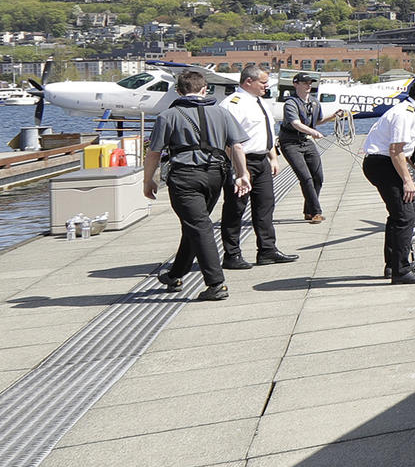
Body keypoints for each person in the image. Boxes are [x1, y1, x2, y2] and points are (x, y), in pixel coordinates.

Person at [143, 68, 252, 301]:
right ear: (205, 89)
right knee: (195, 224)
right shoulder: (222, 113)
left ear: (177, 91)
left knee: (199, 226)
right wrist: (243, 174)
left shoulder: (168, 116)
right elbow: (237, 146)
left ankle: (216, 284)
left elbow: (154, 153)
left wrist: (148, 180)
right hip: (215, 175)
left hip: (184, 177)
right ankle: (175, 274)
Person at [219, 64, 298, 268]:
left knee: (265, 207)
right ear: (248, 82)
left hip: (261, 159)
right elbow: (228, 140)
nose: (266, 86)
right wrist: (239, 170)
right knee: (235, 209)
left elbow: (265, 133)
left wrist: (273, 157)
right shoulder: (233, 104)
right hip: (241, 161)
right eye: (263, 82)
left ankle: (267, 250)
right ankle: (232, 254)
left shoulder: (258, 101)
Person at [361, 78, 415, 283]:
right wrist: (407, 181)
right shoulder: (405, 115)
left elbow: (408, 153)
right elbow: (396, 151)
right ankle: (401, 271)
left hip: (383, 163)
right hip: (383, 164)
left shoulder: (408, 111)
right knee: (405, 216)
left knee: (398, 215)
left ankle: (393, 265)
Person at [279, 72, 342, 223]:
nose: (308, 86)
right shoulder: (290, 103)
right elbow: (296, 123)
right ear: (296, 84)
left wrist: (333, 116)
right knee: (305, 178)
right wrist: (313, 132)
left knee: (318, 177)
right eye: (305, 83)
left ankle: (308, 210)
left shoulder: (314, 103)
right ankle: (316, 212)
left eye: (310, 83)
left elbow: (318, 121)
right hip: (290, 142)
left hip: (306, 142)